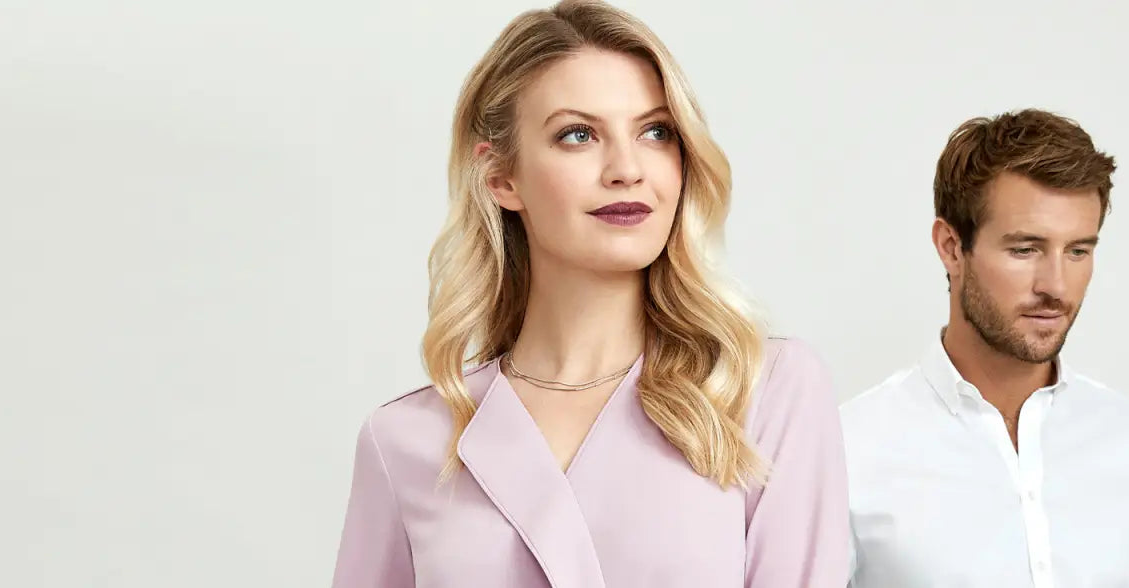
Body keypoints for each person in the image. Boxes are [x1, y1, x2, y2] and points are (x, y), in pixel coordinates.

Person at [329, 1, 849, 587]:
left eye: (656, 132)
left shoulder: (763, 392)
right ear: (501, 177)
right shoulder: (407, 441)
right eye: (578, 135)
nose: (627, 168)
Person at [841, 109, 1129, 587]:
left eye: (1078, 250)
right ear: (952, 247)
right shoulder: (847, 452)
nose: (1056, 285)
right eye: (1025, 250)